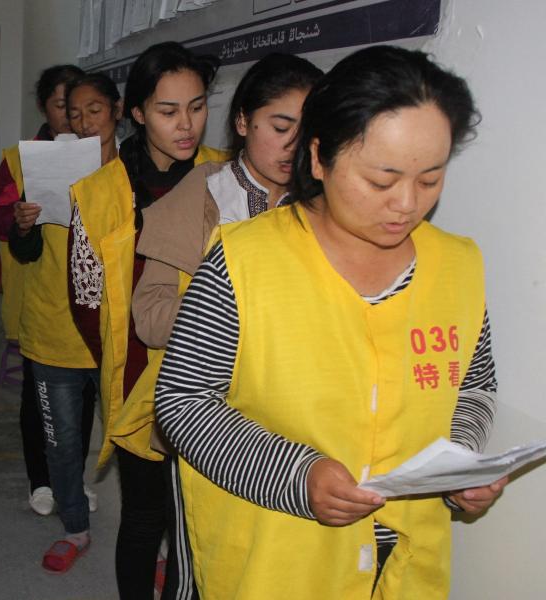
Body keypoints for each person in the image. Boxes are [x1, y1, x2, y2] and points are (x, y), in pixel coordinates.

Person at [155, 45, 506, 599]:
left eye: (430, 179)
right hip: (278, 560)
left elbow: (474, 385)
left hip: (403, 560)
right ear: (318, 158)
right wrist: (297, 474)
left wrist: (459, 463)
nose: (407, 204)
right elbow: (183, 402)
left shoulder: (458, 265)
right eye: (381, 180)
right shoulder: (245, 261)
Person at [67, 42, 227, 598]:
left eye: (198, 106)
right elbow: (86, 301)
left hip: (217, 379)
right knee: (144, 516)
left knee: (195, 523)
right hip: (138, 378)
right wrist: (123, 362)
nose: (187, 125)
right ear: (135, 112)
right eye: (168, 110)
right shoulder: (97, 193)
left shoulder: (227, 178)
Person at [7, 72, 124, 573]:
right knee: (62, 439)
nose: (83, 122)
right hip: (55, 329)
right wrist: (24, 226)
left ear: (118, 111)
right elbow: (27, 251)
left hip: (118, 332)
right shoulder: (48, 165)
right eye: (73, 113)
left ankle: (152, 535)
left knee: (135, 437)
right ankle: (74, 528)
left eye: (94, 110)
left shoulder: (135, 170)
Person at [132, 53, 322, 351]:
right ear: (243, 121)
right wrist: (227, 296)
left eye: (307, 131)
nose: (293, 147)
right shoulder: (204, 192)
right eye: (281, 129)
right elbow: (150, 322)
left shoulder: (324, 201)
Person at [0, 64, 97, 517]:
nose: (71, 118)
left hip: (86, 300)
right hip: (39, 297)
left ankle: (72, 479)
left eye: (79, 109)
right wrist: (20, 215)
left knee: (85, 396)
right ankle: (42, 480)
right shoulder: (19, 158)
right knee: (41, 397)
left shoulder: (104, 159)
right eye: (60, 106)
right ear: (42, 108)